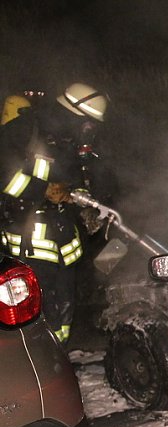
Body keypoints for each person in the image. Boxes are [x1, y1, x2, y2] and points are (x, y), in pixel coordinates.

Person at [0, 83, 109, 344]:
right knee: (37, 310)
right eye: (87, 124)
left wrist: (83, 202)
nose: (89, 131)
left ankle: (59, 355)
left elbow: (72, 179)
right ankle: (40, 363)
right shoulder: (26, 129)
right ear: (72, 113)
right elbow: (3, 175)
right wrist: (43, 190)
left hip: (61, 240)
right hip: (28, 240)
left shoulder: (67, 141)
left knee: (63, 309)